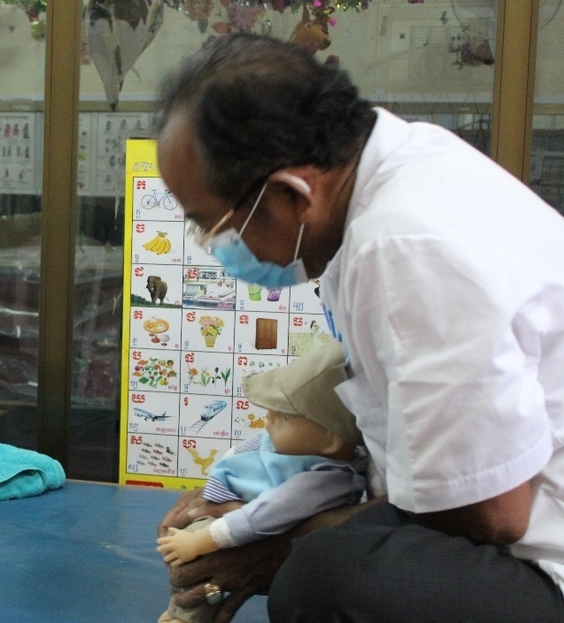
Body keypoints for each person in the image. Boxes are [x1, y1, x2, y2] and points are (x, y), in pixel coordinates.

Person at [153, 33, 564, 623]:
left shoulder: (408, 247)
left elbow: (491, 513)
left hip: (541, 552)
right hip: (504, 512)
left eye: (210, 224)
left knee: (326, 583)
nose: (211, 247)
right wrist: (251, 499)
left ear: (290, 192)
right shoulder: (396, 175)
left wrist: (276, 546)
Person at [156, 342, 366, 623]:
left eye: (285, 417)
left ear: (330, 440)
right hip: (233, 509)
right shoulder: (283, 445)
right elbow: (241, 453)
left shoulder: (324, 478)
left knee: (196, 565)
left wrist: (202, 541)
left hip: (244, 525)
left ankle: (188, 615)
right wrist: (216, 486)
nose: (268, 420)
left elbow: (268, 513)